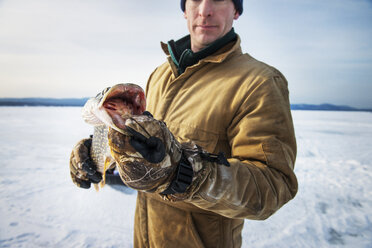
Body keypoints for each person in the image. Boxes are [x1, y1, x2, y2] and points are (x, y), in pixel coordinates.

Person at [69, 0, 298, 247]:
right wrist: (100, 151)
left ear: (236, 10)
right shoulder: (159, 75)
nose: (205, 10)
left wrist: (183, 173)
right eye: (196, 0)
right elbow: (145, 147)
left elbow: (272, 188)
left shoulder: (258, 83)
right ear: (184, 9)